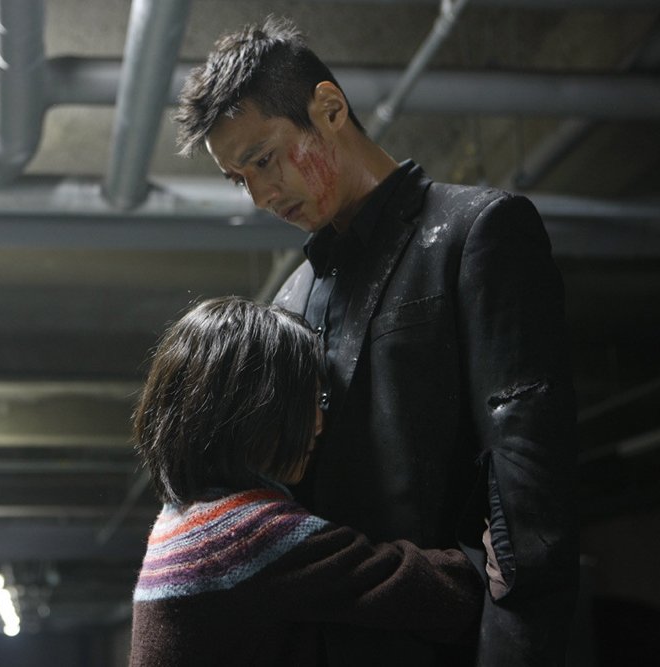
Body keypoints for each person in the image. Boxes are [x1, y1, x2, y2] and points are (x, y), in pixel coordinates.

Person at [173, 16, 579, 666]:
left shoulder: (475, 231)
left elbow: (527, 492)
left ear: (329, 109)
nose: (260, 195)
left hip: (458, 645)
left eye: (264, 159)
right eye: (239, 178)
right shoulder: (290, 301)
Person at [129, 296, 484, 667]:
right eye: (308, 402)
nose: (317, 424)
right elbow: (429, 594)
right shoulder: (245, 533)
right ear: (255, 410)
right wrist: (491, 557)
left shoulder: (182, 517)